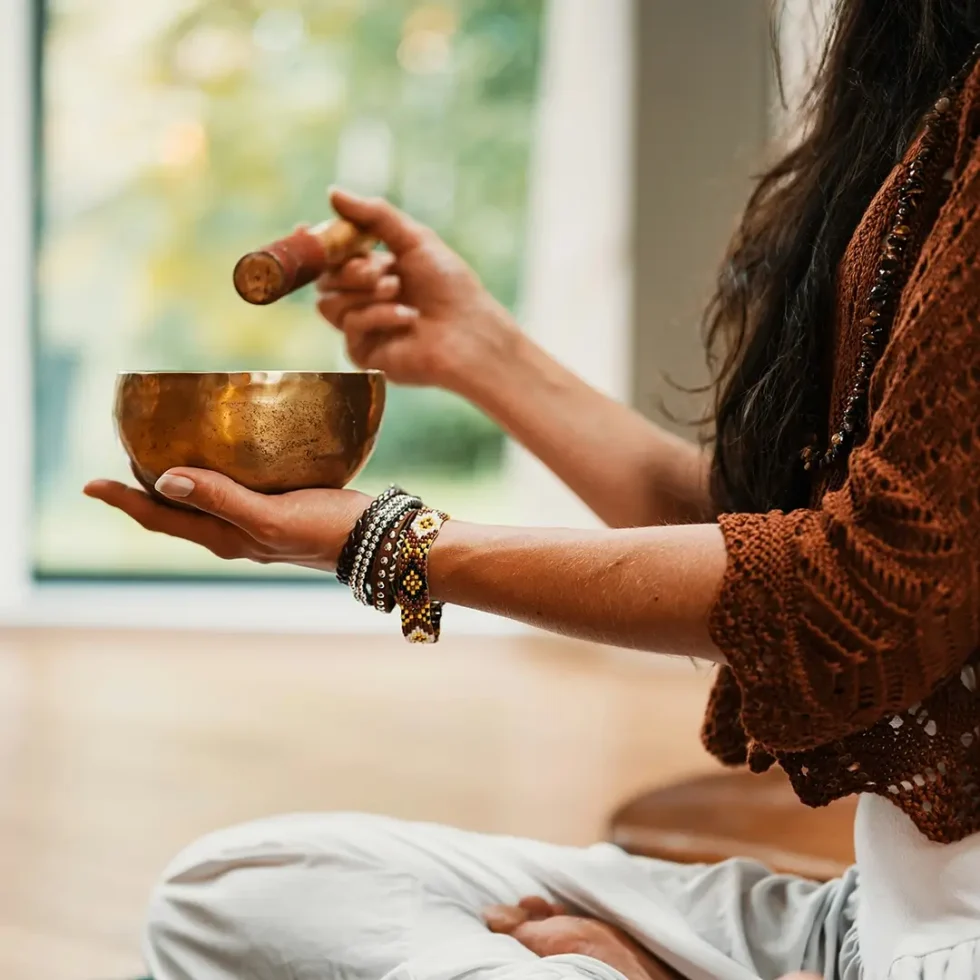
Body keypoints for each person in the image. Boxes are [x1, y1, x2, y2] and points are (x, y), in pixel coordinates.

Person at [84, 1, 980, 978]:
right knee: (238, 887)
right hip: (858, 925)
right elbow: (767, 540)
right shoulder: (924, 89)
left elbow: (862, 589)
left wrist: (386, 543)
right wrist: (481, 351)